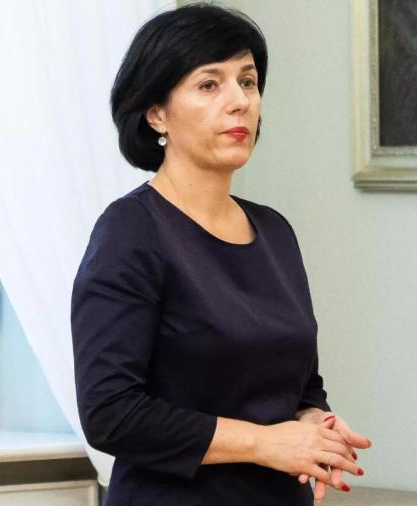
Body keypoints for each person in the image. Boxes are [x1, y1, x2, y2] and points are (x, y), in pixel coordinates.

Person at [70, 3, 371, 504]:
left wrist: (316, 423)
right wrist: (264, 443)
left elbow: (301, 384)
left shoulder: (274, 231)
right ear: (157, 113)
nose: (240, 102)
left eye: (247, 82)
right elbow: (111, 414)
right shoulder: (130, 233)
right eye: (210, 84)